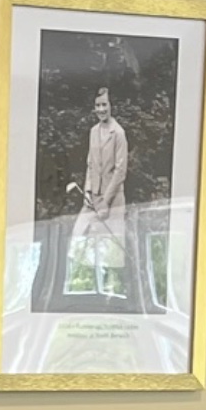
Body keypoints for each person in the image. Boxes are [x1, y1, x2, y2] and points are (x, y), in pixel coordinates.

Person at [68, 87, 128, 298]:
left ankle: (112, 294)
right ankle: (81, 286)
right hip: (92, 197)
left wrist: (105, 203)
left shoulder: (118, 133)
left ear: (112, 106)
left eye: (105, 105)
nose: (101, 109)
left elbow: (120, 171)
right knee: (78, 236)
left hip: (112, 200)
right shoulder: (93, 131)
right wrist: (88, 191)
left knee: (110, 249)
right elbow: (90, 165)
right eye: (98, 105)